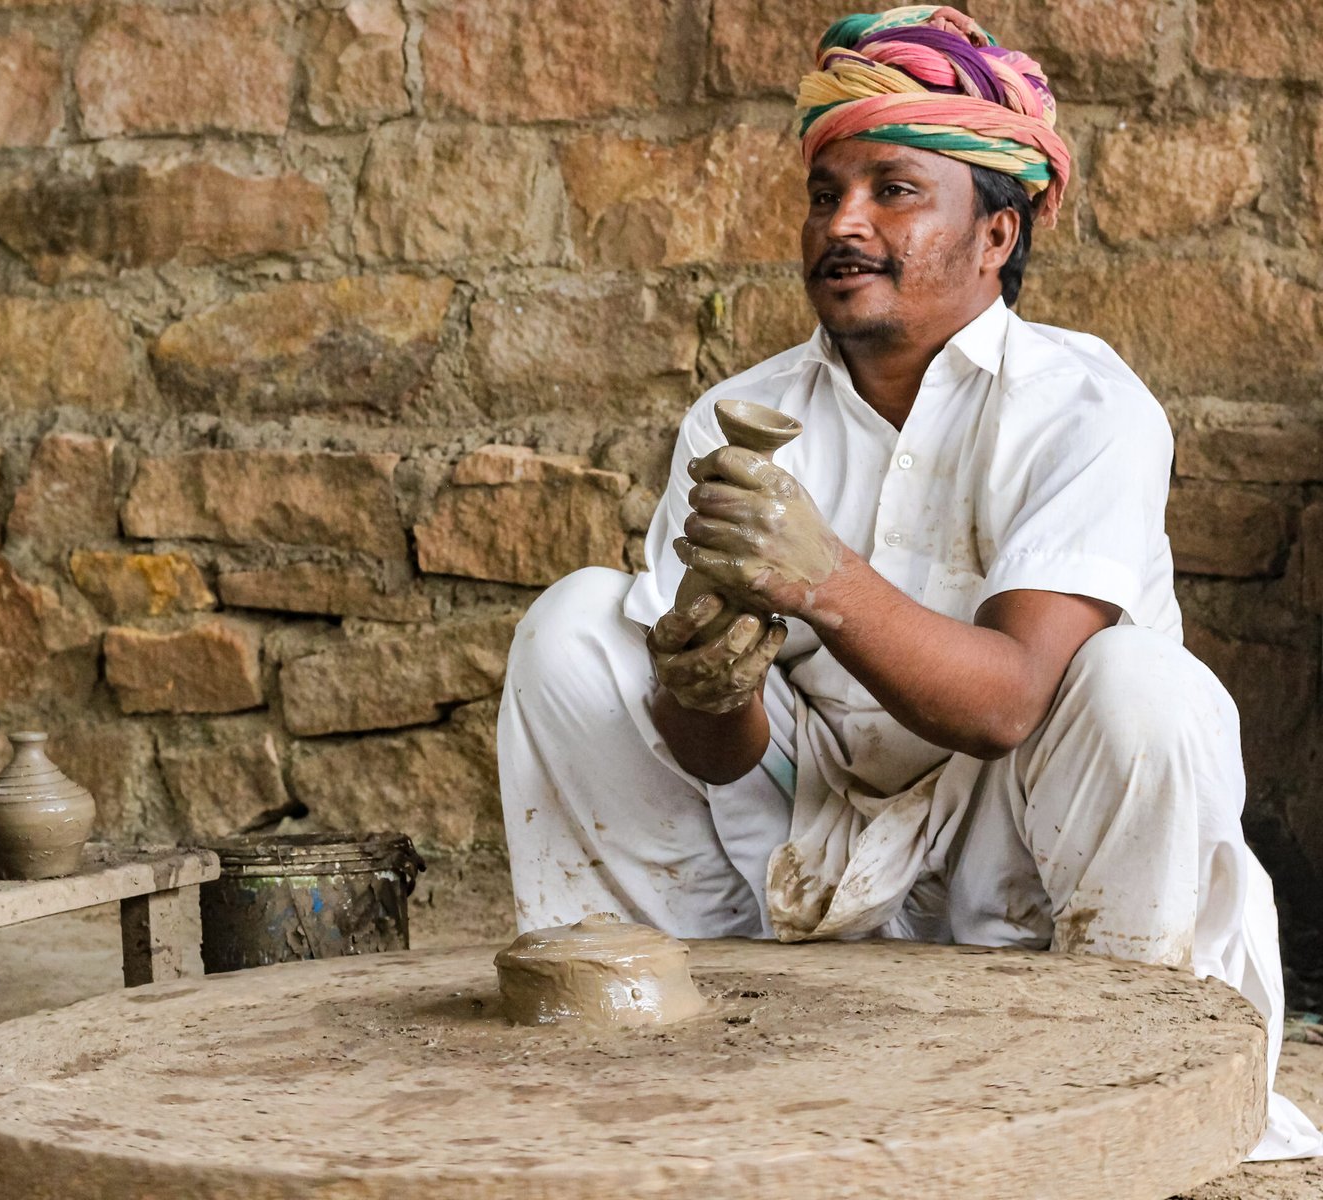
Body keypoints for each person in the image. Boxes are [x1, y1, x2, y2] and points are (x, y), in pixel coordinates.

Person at [496, 4, 1323, 1161]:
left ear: (996, 232)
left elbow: (1008, 703)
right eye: (823, 193)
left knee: (1147, 688)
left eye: (892, 190)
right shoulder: (739, 421)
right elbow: (716, 757)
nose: (843, 224)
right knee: (575, 625)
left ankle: (1123, 1078)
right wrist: (706, 678)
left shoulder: (1084, 405)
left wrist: (822, 578)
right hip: (805, 849)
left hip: (1013, 846)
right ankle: (647, 1034)